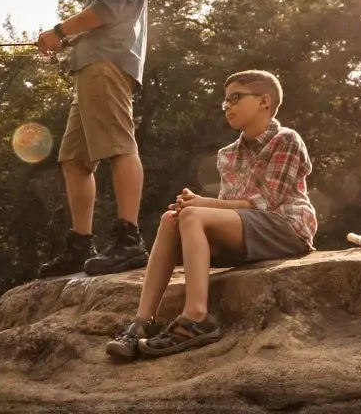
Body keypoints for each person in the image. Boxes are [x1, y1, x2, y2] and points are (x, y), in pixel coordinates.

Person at [106, 70, 317, 360]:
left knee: (192, 215)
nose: (227, 106)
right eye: (225, 102)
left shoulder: (286, 140)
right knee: (172, 219)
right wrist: (195, 207)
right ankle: (142, 323)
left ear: (264, 102)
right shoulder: (227, 154)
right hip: (248, 235)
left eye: (236, 98)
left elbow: (267, 203)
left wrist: (201, 204)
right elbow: (231, 208)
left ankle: (196, 318)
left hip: (286, 229)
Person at [35, 0, 151, 278]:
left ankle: (129, 241)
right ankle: (80, 245)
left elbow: (109, 7)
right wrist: (72, 40)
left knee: (118, 147)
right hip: (91, 62)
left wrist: (61, 31)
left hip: (107, 63)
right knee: (74, 158)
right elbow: (105, 15)